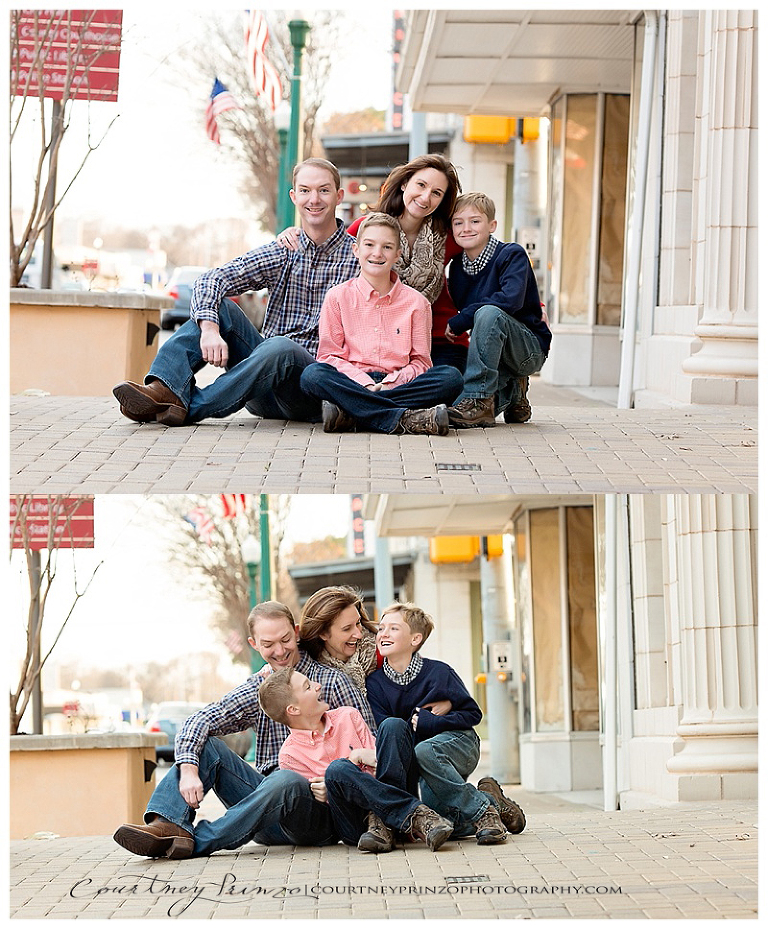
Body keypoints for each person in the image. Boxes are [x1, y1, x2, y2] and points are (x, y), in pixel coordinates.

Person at [112, 600, 376, 860]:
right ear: (254, 645)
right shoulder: (258, 690)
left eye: (285, 639)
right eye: (268, 644)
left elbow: (372, 748)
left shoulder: (331, 682)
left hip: (316, 815)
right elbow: (199, 721)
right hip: (263, 815)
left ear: (296, 633)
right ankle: (167, 825)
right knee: (209, 747)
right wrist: (189, 770)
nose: (280, 651)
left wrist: (337, 785)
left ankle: (196, 840)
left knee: (287, 780)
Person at [113, 158, 359, 427]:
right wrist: (209, 329)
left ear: (339, 196)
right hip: (261, 390)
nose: (314, 199)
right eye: (305, 190)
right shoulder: (283, 250)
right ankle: (163, 388)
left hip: (311, 393)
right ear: (294, 196)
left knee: (281, 347)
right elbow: (212, 279)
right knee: (222, 309)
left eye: (323, 190)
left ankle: (188, 407)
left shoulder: (360, 258)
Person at [280, 153, 469, 372]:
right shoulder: (366, 228)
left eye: (436, 193)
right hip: (377, 343)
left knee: (448, 379)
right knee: (320, 376)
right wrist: (294, 233)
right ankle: (392, 401)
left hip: (439, 339)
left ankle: (377, 401)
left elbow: (487, 251)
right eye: (421, 185)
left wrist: (467, 316)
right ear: (405, 184)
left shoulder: (449, 235)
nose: (425, 197)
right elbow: (325, 246)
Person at [366, 601, 526, 845]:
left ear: (415, 639)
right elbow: (389, 732)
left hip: (459, 744)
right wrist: (420, 720)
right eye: (381, 628)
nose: (384, 633)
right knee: (446, 820)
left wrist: (434, 720)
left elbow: (473, 715)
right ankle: (490, 801)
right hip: (423, 761)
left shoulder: (440, 673)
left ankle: (484, 814)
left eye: (394, 628)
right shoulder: (375, 684)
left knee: (425, 749)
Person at [299, 212, 464, 436]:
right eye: (369, 244)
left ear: (397, 255)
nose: (377, 253)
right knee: (312, 375)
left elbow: (420, 363)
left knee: (450, 378)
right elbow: (329, 356)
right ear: (356, 250)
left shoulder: (417, 303)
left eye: (387, 247)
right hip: (352, 382)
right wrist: (364, 384)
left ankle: (352, 414)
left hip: (400, 383)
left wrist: (389, 384)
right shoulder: (337, 297)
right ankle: (406, 419)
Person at [259, 667, 455, 853]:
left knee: (393, 725)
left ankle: (385, 822)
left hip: (390, 805)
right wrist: (348, 767)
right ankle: (417, 816)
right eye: (308, 687)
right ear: (293, 709)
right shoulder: (289, 756)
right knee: (337, 770)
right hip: (356, 825)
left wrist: (354, 767)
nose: (318, 685)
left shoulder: (348, 716)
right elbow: (322, 805)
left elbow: (384, 768)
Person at [444, 192, 552, 428]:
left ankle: (479, 401)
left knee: (489, 312)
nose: (466, 228)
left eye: (475, 221)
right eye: (458, 222)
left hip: (527, 348)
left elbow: (510, 300)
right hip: (493, 354)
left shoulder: (511, 254)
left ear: (492, 225)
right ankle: (515, 394)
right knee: (457, 404)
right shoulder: (457, 269)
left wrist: (462, 319)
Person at [298, 585, 380, 694]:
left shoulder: (383, 654)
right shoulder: (308, 676)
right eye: (346, 629)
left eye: (358, 623)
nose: (358, 634)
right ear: (323, 633)